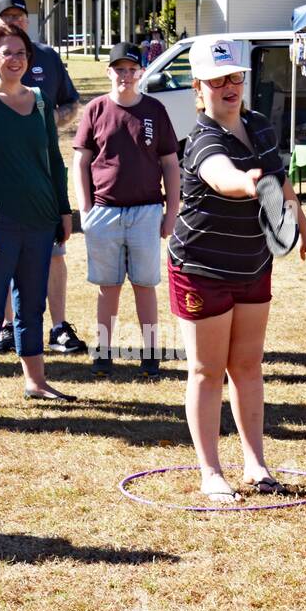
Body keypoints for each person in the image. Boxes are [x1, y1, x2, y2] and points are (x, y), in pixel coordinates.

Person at [169, 37, 306, 501]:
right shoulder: (201, 139)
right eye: (218, 80)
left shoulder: (258, 126)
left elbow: (283, 184)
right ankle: (211, 471)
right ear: (199, 87)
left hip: (253, 263)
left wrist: (305, 234)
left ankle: (256, 464)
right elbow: (221, 176)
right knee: (207, 371)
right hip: (201, 268)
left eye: (235, 77)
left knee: (249, 366)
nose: (230, 86)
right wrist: (247, 183)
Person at [0, 0, 87, 356]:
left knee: (48, 264)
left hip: (39, 188)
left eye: (21, 15)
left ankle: (58, 328)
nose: (15, 21)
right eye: (6, 15)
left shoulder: (46, 58)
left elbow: (71, 104)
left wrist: (33, 125)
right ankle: (4, 330)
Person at [0, 21, 75, 413]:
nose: (15, 59)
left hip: (41, 218)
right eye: (7, 52)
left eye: (21, 53)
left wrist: (63, 209)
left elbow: (55, 159)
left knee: (32, 304)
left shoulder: (41, 100)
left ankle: (36, 381)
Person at [72, 41, 180, 379]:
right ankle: (103, 352)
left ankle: (150, 353)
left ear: (141, 73)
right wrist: (85, 208)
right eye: (119, 69)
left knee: (145, 285)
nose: (125, 76)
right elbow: (80, 161)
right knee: (108, 286)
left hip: (147, 211)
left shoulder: (155, 110)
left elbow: (170, 163)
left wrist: (171, 211)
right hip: (104, 211)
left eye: (132, 70)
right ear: (109, 72)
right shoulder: (96, 110)